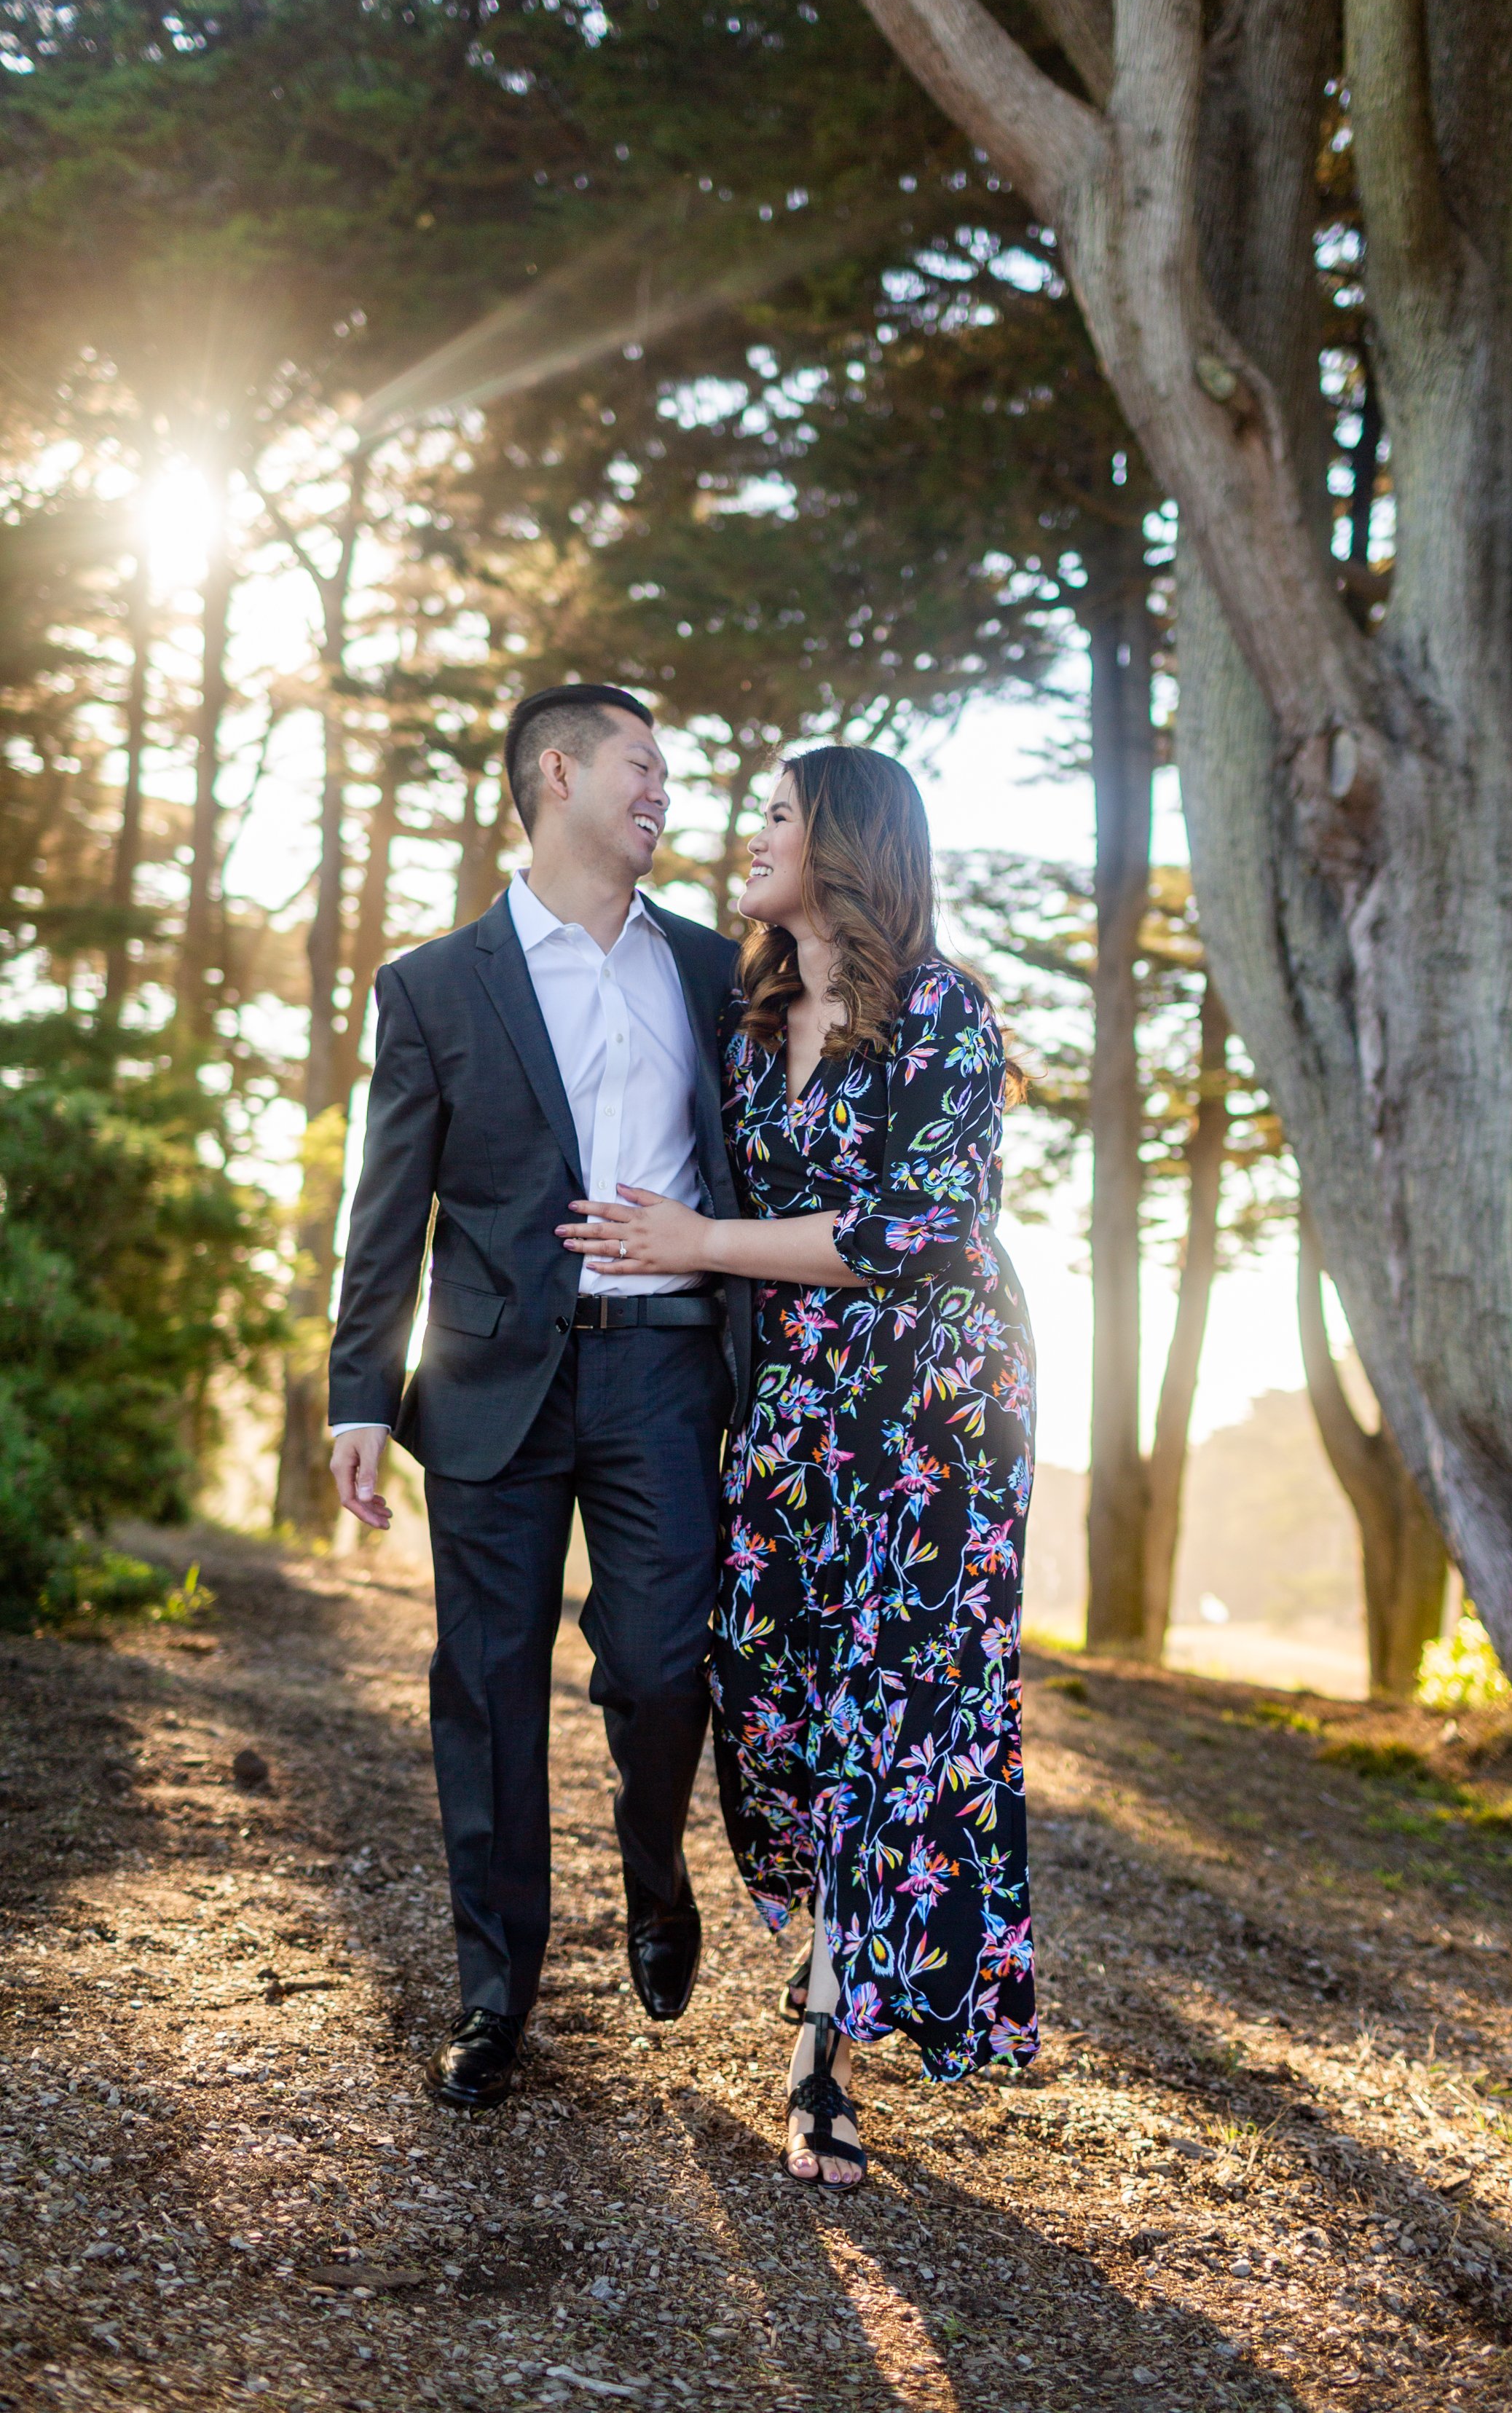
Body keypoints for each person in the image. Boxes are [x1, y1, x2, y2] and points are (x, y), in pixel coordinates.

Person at [558, 744, 1038, 2186]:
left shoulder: (945, 1013)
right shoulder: (749, 1017)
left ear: (842, 842)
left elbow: (920, 1230)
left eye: (776, 813)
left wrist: (698, 1243)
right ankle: (819, 1946)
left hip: (931, 1418)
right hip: (789, 1408)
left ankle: (824, 2049)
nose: (750, 834)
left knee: (888, 1717)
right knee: (771, 1692)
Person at [326, 682, 749, 2112]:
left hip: (667, 1371)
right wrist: (360, 1395)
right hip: (490, 1382)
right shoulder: (433, 987)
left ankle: (654, 1869)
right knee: (489, 1691)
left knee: (665, 1665)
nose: (664, 789)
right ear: (557, 774)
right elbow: (387, 1208)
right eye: (643, 763)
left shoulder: (717, 972)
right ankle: (494, 1996)